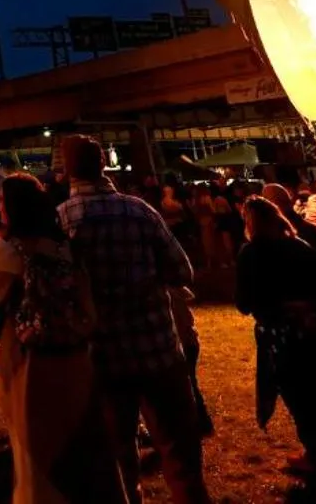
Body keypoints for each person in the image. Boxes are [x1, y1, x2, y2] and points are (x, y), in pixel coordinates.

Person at [55, 136, 210, 504]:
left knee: (116, 459)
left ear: (66, 172)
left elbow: (60, 292)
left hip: (102, 358)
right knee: (181, 456)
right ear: (105, 165)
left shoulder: (61, 220)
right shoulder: (140, 211)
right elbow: (182, 271)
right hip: (157, 350)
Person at [0, 174, 124, 504]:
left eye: (2, 200)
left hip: (28, 360)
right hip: (74, 355)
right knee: (83, 445)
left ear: (11, 206)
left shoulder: (3, 249)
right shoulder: (64, 244)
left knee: (36, 453)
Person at [236, 198, 316, 489]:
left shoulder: (252, 254)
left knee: (304, 402)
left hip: (286, 340)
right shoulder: (300, 247)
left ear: (250, 223)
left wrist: (286, 309)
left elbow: (245, 302)